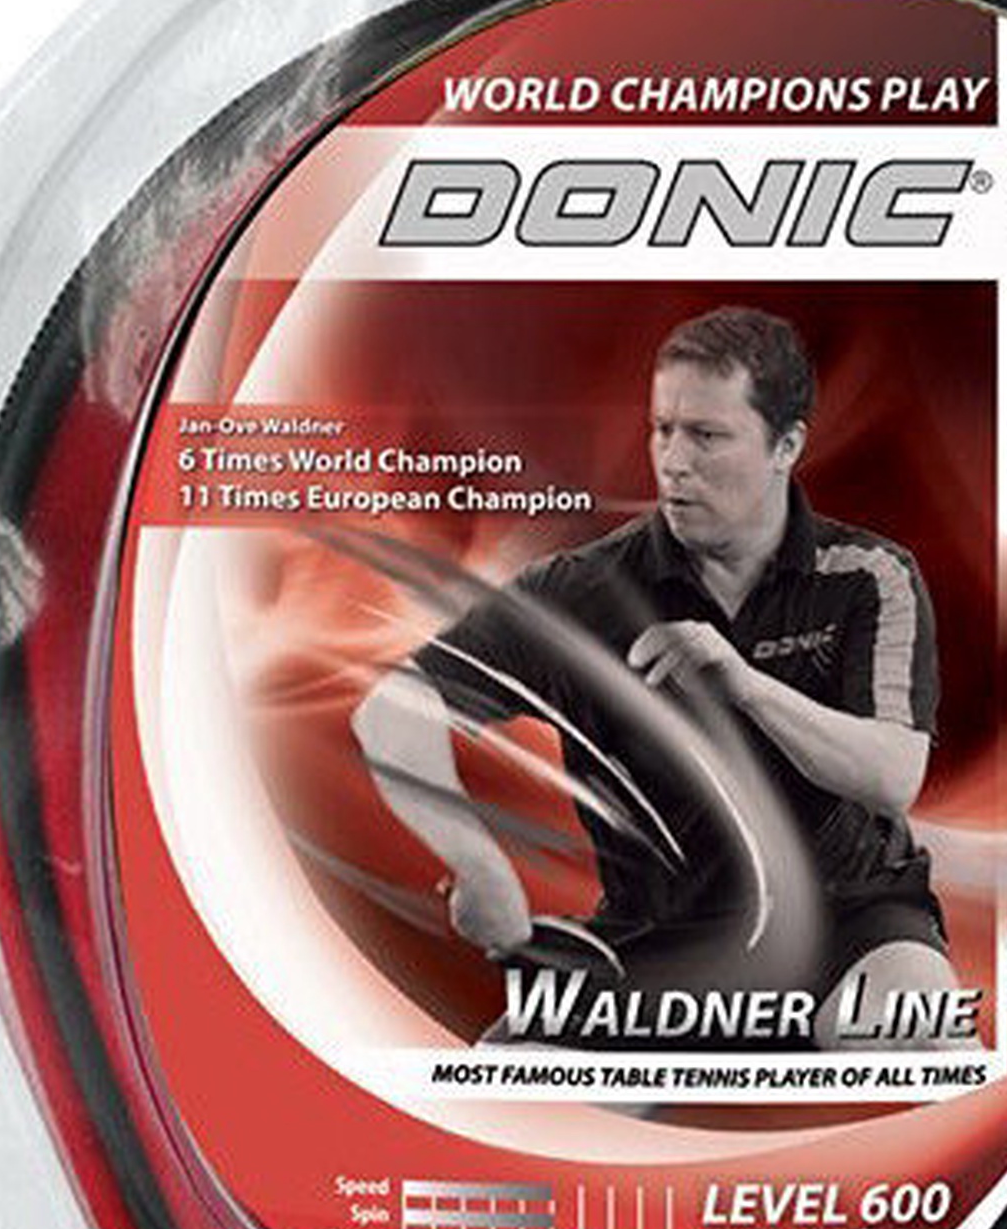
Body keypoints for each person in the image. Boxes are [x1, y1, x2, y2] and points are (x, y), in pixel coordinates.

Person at [354, 306, 954, 1042]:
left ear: (787, 445)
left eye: (706, 435)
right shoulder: (580, 591)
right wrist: (476, 861)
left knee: (913, 1033)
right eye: (663, 429)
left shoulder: (867, 575)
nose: (673, 461)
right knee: (495, 1083)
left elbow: (892, 776)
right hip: (654, 938)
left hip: (849, 922)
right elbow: (393, 709)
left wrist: (745, 685)